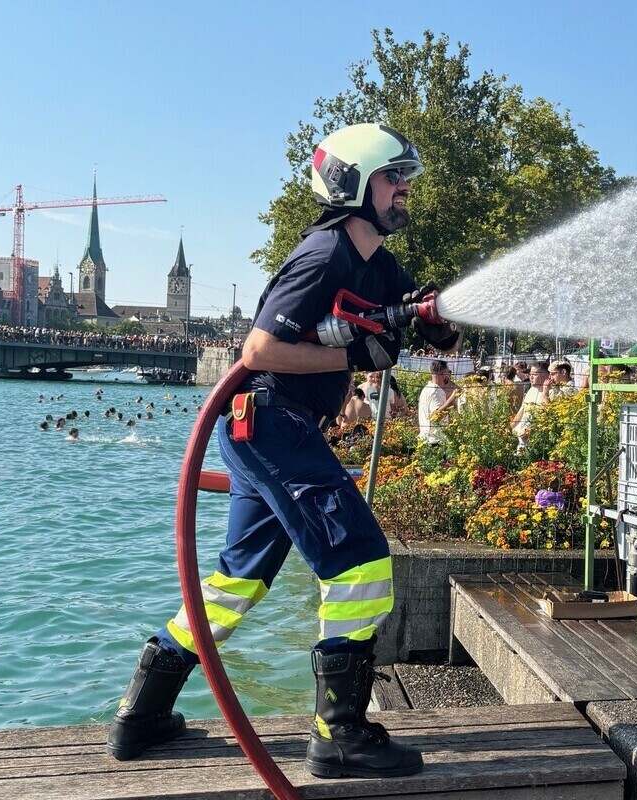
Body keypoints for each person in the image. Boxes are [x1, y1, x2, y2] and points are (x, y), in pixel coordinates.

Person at [106, 123, 458, 779]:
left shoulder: (377, 263)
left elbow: (419, 322)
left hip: (267, 430)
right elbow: (259, 350)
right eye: (393, 177)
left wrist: (436, 320)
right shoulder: (325, 255)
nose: (404, 189)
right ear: (354, 184)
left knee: (237, 581)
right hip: (269, 422)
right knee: (360, 562)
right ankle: (339, 734)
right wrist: (355, 355)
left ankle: (141, 713)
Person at [417, 359, 460, 444]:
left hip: (427, 438)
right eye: (448, 373)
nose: (449, 376)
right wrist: (452, 398)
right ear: (443, 374)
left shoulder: (427, 389)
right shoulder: (435, 392)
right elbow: (436, 417)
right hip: (434, 440)